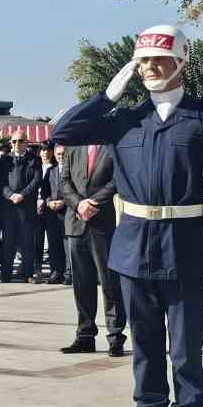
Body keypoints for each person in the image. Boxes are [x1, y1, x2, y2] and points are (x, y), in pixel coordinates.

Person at [52, 24, 203, 407]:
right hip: (133, 247)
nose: (150, 69)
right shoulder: (124, 119)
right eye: (143, 62)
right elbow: (65, 130)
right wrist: (110, 93)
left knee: (186, 350)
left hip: (186, 246)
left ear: (180, 63)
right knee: (146, 349)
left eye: (159, 60)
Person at [60, 140, 127, 356]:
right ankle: (85, 335)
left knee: (109, 283)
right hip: (76, 222)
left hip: (103, 222)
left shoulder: (113, 146)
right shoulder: (73, 147)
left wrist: (93, 203)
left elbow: (118, 179)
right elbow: (64, 181)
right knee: (81, 284)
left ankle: (115, 336)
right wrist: (78, 203)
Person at [0, 133, 40, 284]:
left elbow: (36, 180)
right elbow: (0, 182)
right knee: (8, 242)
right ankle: (6, 274)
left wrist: (22, 195)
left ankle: (28, 273)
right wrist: (10, 195)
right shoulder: (5, 159)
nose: (17, 143)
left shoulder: (35, 159)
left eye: (20, 141)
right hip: (8, 207)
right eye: (14, 141)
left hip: (26, 207)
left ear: (26, 142)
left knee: (27, 242)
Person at [35, 144, 67, 285]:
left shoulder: (73, 169)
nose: (61, 157)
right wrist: (48, 202)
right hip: (51, 212)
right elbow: (45, 190)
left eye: (63, 154)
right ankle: (56, 272)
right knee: (54, 244)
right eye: (58, 154)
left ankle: (68, 272)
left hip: (67, 211)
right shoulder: (51, 170)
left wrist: (64, 201)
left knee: (67, 244)